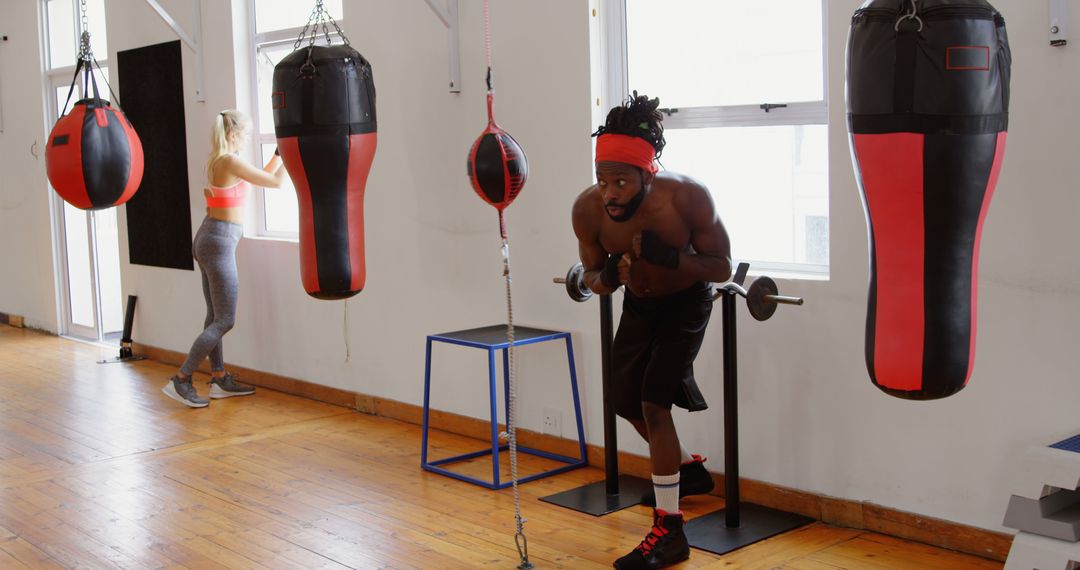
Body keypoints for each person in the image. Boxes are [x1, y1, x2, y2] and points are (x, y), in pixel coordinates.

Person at [572, 93, 732, 569]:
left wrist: (672, 258)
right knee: (625, 402)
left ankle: (670, 530)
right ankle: (687, 471)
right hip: (639, 305)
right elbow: (593, 280)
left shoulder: (687, 198)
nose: (611, 192)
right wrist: (611, 277)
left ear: (648, 173)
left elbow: (721, 267)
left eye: (621, 180)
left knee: (653, 404)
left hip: (685, 305)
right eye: (603, 180)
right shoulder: (588, 211)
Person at [162, 110, 287, 408]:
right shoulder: (229, 160)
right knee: (225, 319)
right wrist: (289, 157)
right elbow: (275, 182)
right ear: (233, 134)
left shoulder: (221, 159)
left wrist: (279, 153)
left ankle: (218, 377)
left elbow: (260, 176)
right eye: (244, 134)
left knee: (213, 316)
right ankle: (180, 379)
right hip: (218, 242)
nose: (245, 140)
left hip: (210, 238)